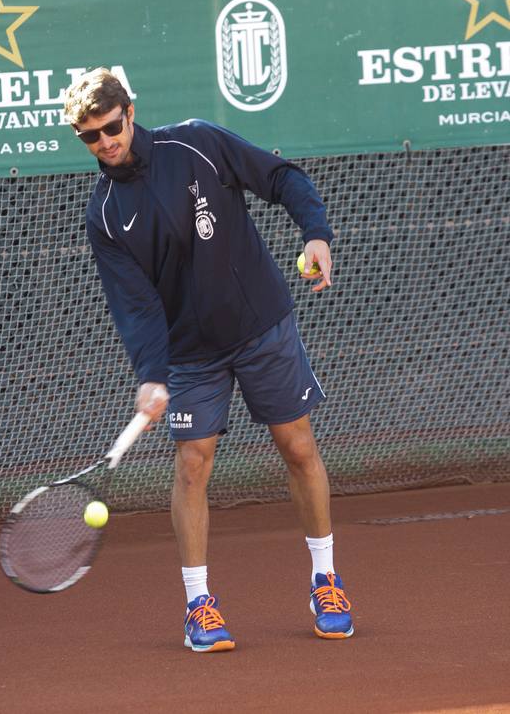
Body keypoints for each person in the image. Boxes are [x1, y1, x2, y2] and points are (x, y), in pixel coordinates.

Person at [64, 67, 354, 651]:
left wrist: (315, 233)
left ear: (131, 110)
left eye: (112, 127)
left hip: (261, 325)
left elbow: (280, 177)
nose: (107, 143)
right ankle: (199, 605)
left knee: (297, 446)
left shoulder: (196, 142)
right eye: (91, 137)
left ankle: (325, 579)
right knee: (193, 464)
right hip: (190, 354)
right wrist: (151, 376)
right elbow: (136, 307)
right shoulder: (105, 216)